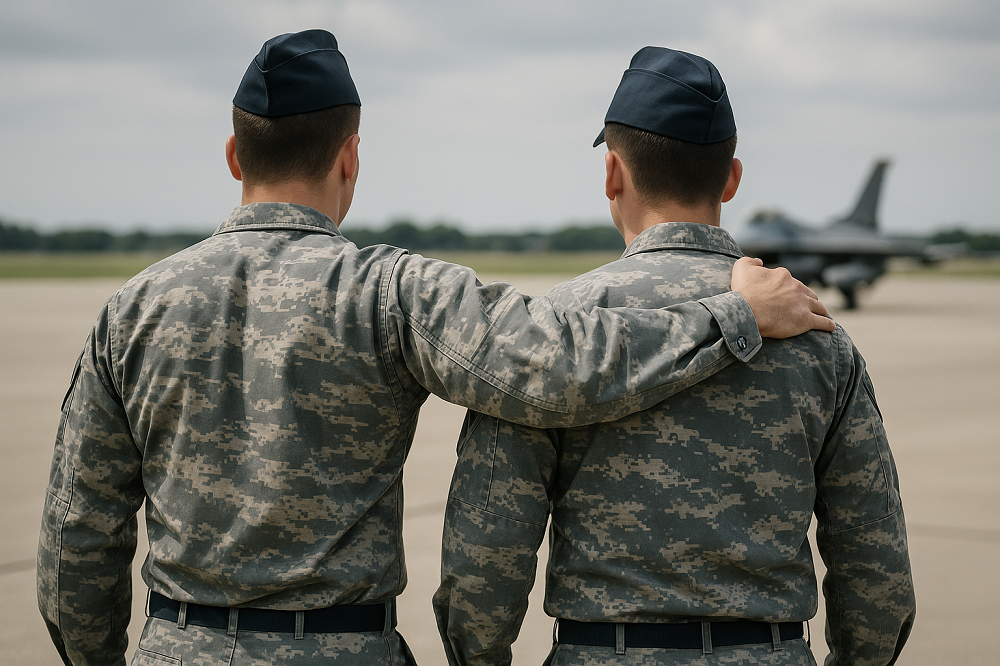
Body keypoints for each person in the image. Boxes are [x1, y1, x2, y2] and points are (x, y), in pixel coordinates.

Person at [37, 32, 833, 666]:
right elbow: (552, 369)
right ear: (351, 156)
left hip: (179, 647)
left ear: (234, 157)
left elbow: (77, 534)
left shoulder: (130, 310)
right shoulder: (394, 291)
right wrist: (729, 315)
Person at [434, 47, 915, 665]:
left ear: (612, 173)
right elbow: (876, 566)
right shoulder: (815, 334)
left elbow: (485, 553)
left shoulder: (548, 332)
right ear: (732, 178)